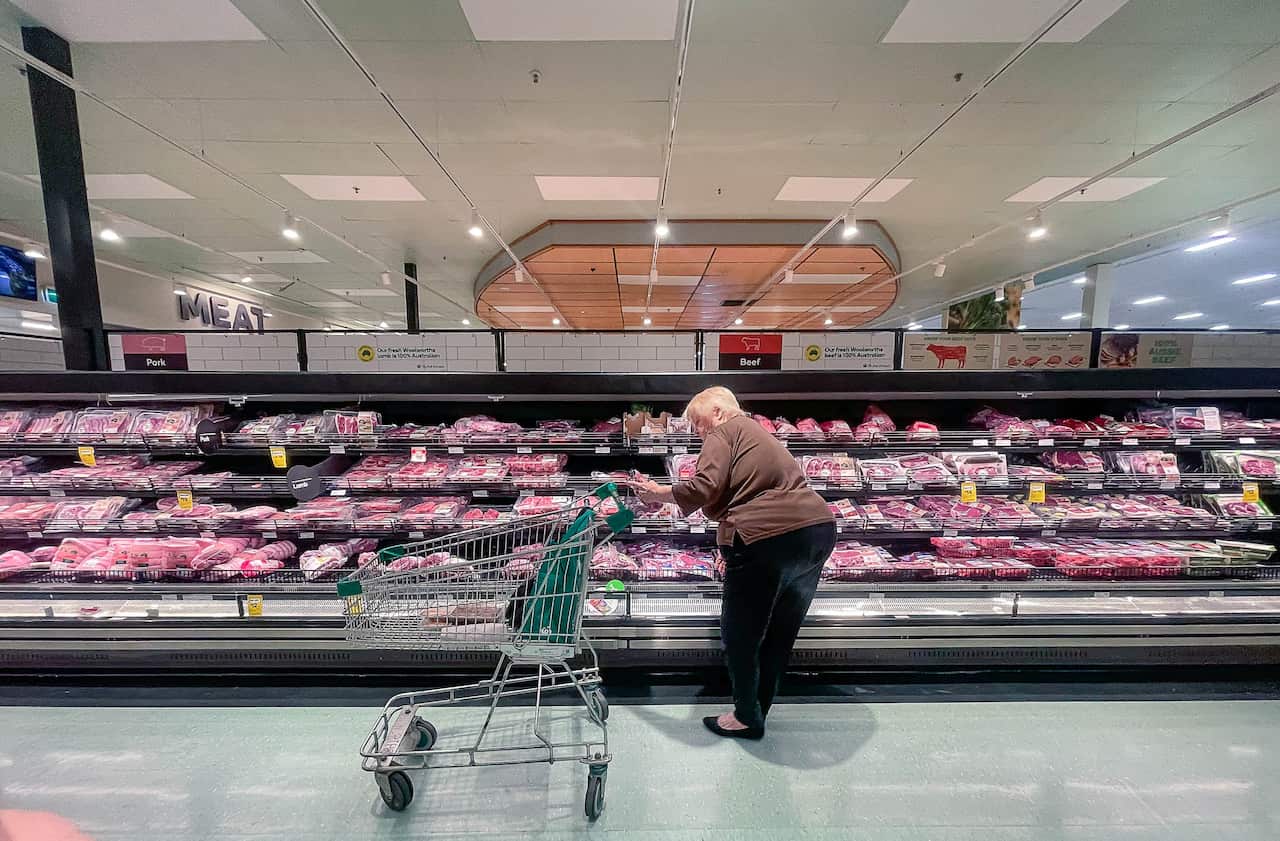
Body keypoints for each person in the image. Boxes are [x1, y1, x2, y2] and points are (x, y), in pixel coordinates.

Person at [632, 386, 835, 739]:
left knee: (741, 632)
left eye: (698, 422)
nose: (698, 432)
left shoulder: (725, 429)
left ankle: (745, 716)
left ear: (718, 411)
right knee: (778, 633)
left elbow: (705, 486)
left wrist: (658, 492)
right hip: (816, 531)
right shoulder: (758, 434)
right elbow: (734, 490)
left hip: (768, 535)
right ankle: (757, 709)